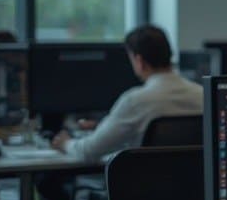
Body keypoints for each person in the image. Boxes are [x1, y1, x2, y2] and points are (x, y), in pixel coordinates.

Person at [51, 25, 204, 163]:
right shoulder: (202, 94)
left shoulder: (135, 100)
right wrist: (104, 125)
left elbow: (88, 151)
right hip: (192, 188)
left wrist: (65, 143)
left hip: (146, 187)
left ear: (139, 61)